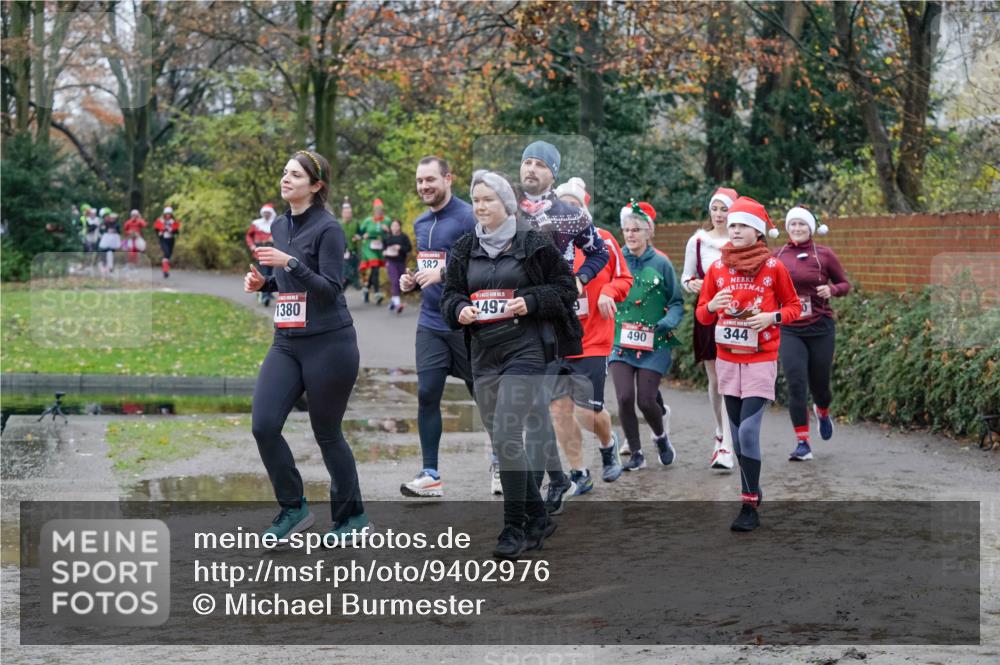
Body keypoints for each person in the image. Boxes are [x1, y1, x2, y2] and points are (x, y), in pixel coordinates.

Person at [440, 170, 580, 558]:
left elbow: (565, 287)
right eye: (477, 200)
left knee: (506, 434)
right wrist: (461, 309)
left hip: (526, 349)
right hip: (484, 353)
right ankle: (538, 518)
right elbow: (449, 295)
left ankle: (512, 529)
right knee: (502, 439)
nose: (481, 206)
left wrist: (530, 301)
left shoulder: (532, 242)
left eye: (488, 199)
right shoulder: (465, 247)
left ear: (507, 203)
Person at [243, 149, 368, 543]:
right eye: (284, 173)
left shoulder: (329, 228)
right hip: (287, 341)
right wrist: (265, 283)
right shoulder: (279, 225)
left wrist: (290, 263)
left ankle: (351, 518)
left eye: (295, 175)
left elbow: (331, 290)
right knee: (263, 425)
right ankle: (293, 508)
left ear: (316, 186)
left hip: (330, 343)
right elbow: (287, 282)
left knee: (327, 432)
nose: (286, 179)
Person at [695, 196, 802, 532]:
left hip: (761, 359)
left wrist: (771, 316)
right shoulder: (717, 268)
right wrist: (712, 304)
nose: (734, 228)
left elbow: (795, 307)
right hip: (727, 361)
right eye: (733, 224)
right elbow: (701, 314)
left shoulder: (774, 267)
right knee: (739, 437)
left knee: (750, 431)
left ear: (758, 232)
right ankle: (754, 488)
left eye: (743, 225)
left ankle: (748, 504)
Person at [516, 140, 609, 513]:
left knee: (544, 405)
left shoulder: (570, 213)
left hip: (554, 318)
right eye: (527, 162)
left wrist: (580, 278)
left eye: (540, 164)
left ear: (552, 173)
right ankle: (554, 479)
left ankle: (543, 488)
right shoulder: (507, 210)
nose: (531, 169)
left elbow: (599, 251)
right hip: (515, 317)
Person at [399, 156, 478, 498]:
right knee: (427, 394)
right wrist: (412, 281)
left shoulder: (468, 217)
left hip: (465, 324)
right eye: (419, 181)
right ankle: (430, 473)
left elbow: (484, 263)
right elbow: (428, 268)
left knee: (486, 397)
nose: (424, 187)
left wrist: (444, 275)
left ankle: (499, 464)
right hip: (431, 323)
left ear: (449, 178)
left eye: (430, 179)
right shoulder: (419, 222)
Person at [548, 178, 633, 489]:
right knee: (559, 410)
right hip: (557, 341)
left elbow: (625, 279)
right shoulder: (546, 242)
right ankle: (579, 472)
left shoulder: (604, 240)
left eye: (575, 205)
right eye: (563, 205)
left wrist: (609, 291)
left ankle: (608, 444)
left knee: (587, 412)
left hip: (594, 340)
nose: (568, 211)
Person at [610, 200, 685, 472]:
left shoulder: (662, 263)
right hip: (620, 341)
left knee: (645, 399)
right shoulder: (615, 259)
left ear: (648, 232)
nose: (630, 235)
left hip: (654, 342)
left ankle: (661, 437)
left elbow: (677, 302)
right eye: (627, 230)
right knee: (624, 398)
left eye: (636, 230)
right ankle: (637, 453)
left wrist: (666, 322)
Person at [773, 206, 850, 461]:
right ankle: (802, 442)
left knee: (820, 384)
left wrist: (833, 291)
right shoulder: (777, 256)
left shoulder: (824, 255)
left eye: (802, 225)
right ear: (787, 227)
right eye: (792, 225)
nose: (797, 229)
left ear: (811, 228)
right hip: (790, 329)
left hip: (820, 328)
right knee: (795, 383)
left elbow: (845, 284)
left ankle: (823, 410)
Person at [682, 187, 740, 470]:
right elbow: (686, 277)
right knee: (716, 380)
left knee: (730, 379)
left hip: (737, 316)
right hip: (708, 314)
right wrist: (691, 284)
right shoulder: (698, 241)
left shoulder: (743, 239)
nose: (718, 215)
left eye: (724, 209)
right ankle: (720, 429)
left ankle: (728, 445)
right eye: (715, 209)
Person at [246, 203, 277, 306]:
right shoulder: (256, 224)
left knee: (271, 273)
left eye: (268, 213)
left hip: (272, 251)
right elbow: (249, 236)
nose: (266, 215)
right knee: (263, 272)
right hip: (260, 252)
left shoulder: (275, 224)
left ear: (271, 214)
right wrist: (252, 246)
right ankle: (265, 296)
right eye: (265, 213)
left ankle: (267, 292)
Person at [359, 199, 388, 304]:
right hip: (368, 247)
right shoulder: (368, 220)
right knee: (375, 267)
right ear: (373, 211)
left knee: (375, 270)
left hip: (379, 247)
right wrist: (363, 235)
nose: (378, 212)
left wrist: (387, 231)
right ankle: (377, 293)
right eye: (377, 210)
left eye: (380, 210)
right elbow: (359, 232)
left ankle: (366, 289)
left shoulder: (387, 220)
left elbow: (392, 234)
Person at [383, 219, 412, 313]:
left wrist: (400, 248)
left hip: (401, 262)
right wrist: (385, 253)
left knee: (399, 282)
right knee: (395, 280)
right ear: (390, 227)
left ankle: (393, 301)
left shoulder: (404, 237)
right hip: (390, 262)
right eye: (393, 226)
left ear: (400, 226)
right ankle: (397, 304)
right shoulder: (388, 238)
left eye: (396, 225)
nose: (394, 227)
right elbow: (382, 249)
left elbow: (409, 248)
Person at [340, 198, 363, 290]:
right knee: (346, 273)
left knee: (352, 272)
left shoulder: (356, 223)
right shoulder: (338, 223)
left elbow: (361, 233)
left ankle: (356, 284)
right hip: (341, 252)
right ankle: (341, 292)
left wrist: (358, 236)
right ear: (342, 214)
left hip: (353, 251)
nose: (348, 215)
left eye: (349, 213)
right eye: (346, 213)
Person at [154, 206, 180, 278]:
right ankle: (165, 271)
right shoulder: (160, 221)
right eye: (166, 214)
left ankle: (165, 268)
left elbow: (177, 231)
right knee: (166, 253)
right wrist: (161, 231)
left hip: (171, 239)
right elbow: (156, 229)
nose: (168, 215)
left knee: (168, 255)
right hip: (163, 239)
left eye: (169, 214)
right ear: (164, 214)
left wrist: (172, 231)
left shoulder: (173, 222)